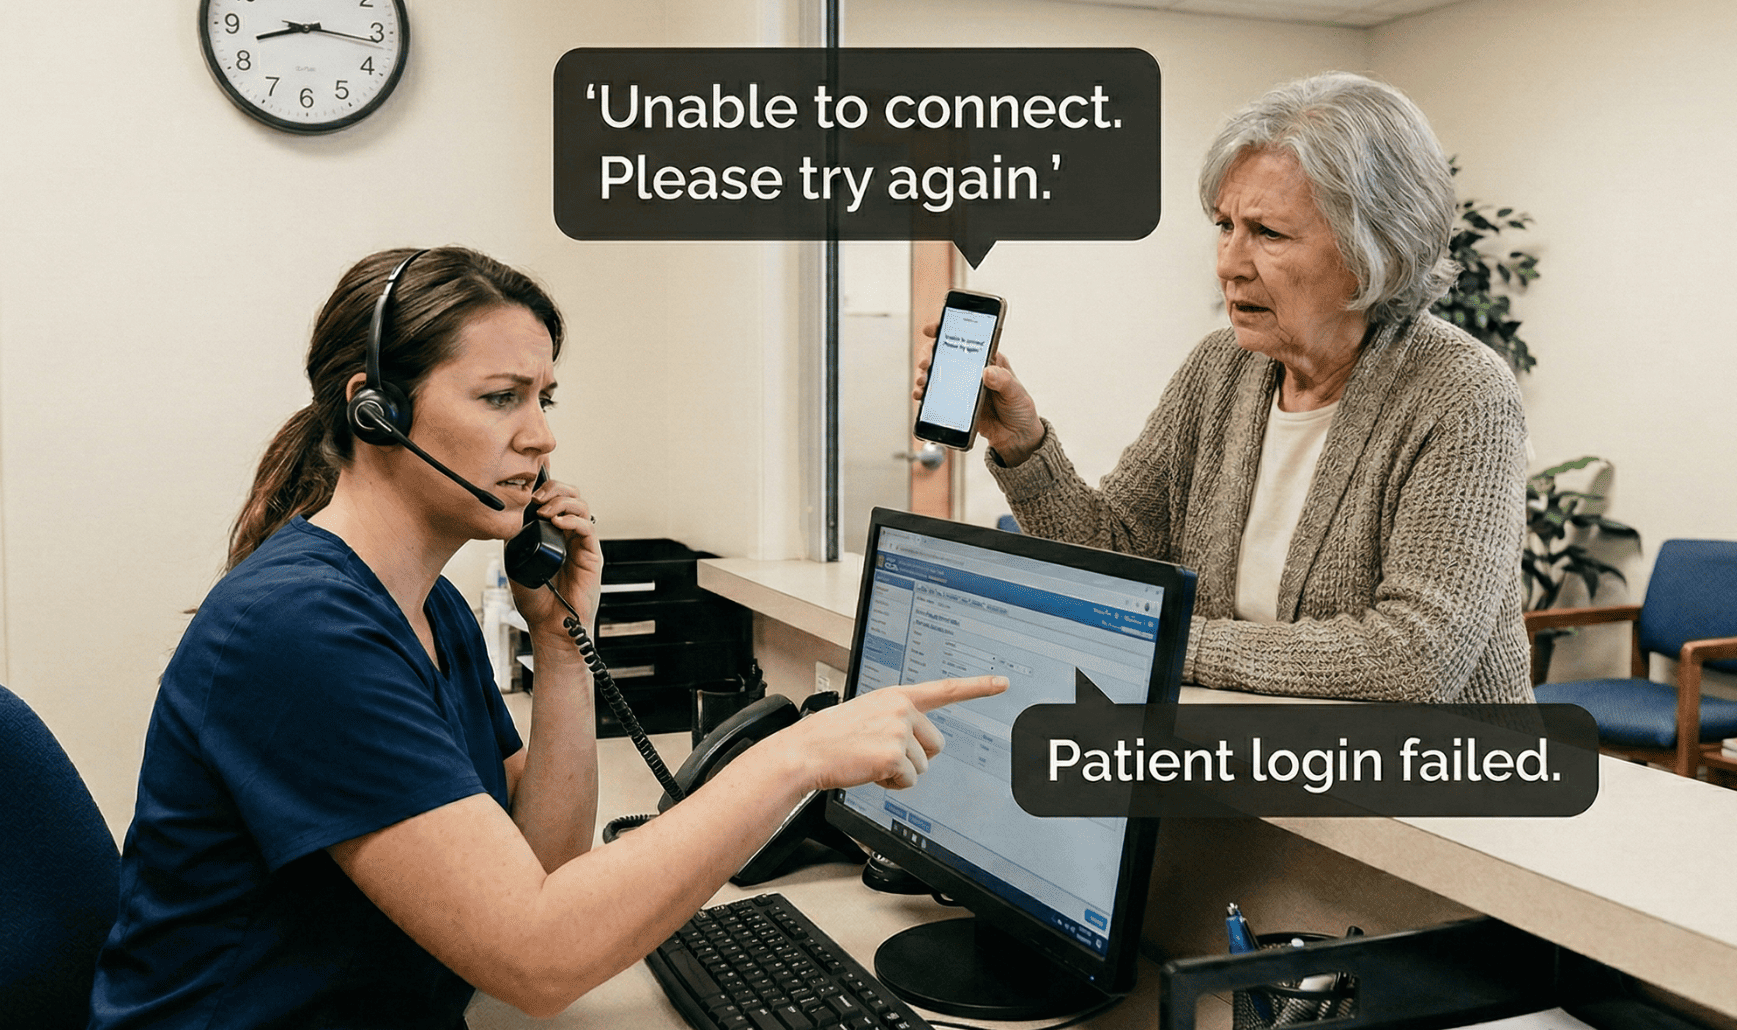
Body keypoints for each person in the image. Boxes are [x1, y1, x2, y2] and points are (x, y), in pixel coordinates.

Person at [88, 246, 1006, 1029]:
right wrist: (796, 756)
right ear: (376, 410)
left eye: (545, 397)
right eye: (501, 398)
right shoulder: (301, 627)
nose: (540, 436)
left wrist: (563, 643)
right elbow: (538, 959)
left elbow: (545, 867)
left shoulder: (427, 606)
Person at [925, 72, 1533, 705]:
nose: (1228, 264)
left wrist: (1163, 640)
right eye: (1224, 225)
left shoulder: (1462, 392)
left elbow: (1412, 659)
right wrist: (1023, 447)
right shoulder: (1220, 367)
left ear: (1373, 252)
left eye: (1268, 233)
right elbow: (1118, 553)